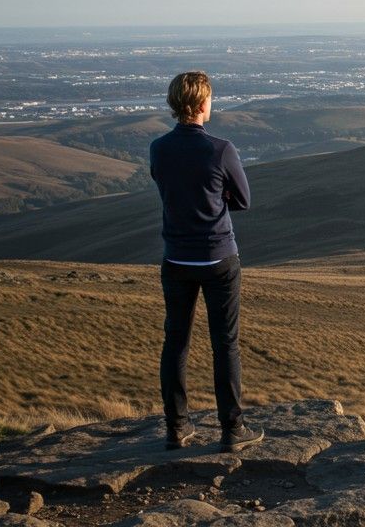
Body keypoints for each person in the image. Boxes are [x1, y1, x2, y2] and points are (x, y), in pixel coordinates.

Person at [149, 71, 264, 452]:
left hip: (176, 258)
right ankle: (232, 430)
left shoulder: (159, 148)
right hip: (218, 258)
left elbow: (168, 189)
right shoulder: (220, 149)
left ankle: (176, 428)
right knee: (225, 344)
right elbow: (243, 200)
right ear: (202, 103)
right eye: (210, 99)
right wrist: (218, 197)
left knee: (175, 342)